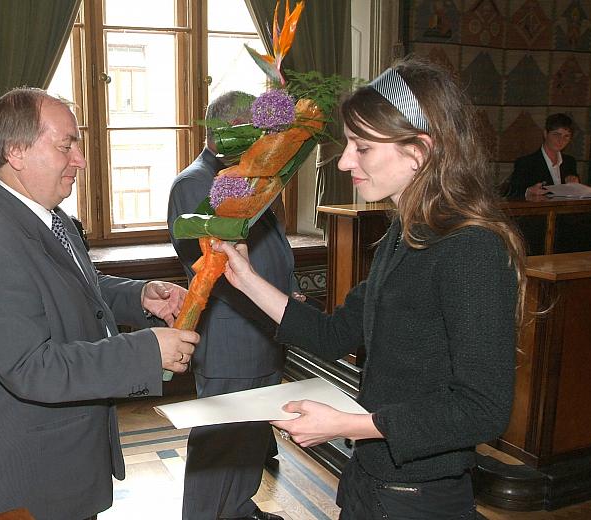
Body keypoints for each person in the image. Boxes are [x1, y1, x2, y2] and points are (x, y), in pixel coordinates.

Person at [212, 58, 527, 520]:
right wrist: (247, 280)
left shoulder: (470, 249)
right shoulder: (404, 233)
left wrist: (348, 424)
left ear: (419, 149)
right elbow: (336, 333)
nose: (344, 162)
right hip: (374, 481)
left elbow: (483, 408)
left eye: (362, 147)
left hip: (419, 497)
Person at [0, 87, 199, 520]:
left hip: (66, 457)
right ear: (17, 151)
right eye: (66, 145)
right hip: (35, 473)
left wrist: (138, 296)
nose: (80, 159)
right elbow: (31, 368)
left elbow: (76, 287)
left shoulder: (49, 217)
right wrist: (145, 350)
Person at [167, 91, 298, 520]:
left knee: (249, 442)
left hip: (265, 332)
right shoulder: (195, 184)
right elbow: (211, 268)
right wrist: (272, 307)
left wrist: (287, 294)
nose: (266, 143)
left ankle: (239, 510)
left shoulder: (248, 177)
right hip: (232, 339)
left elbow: (272, 248)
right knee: (218, 449)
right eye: (258, 134)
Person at [508, 113, 579, 198]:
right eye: (556, 134)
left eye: (566, 136)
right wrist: (528, 191)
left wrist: (575, 185)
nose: (561, 140)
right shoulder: (526, 163)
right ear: (545, 134)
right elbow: (512, 192)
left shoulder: (570, 162)